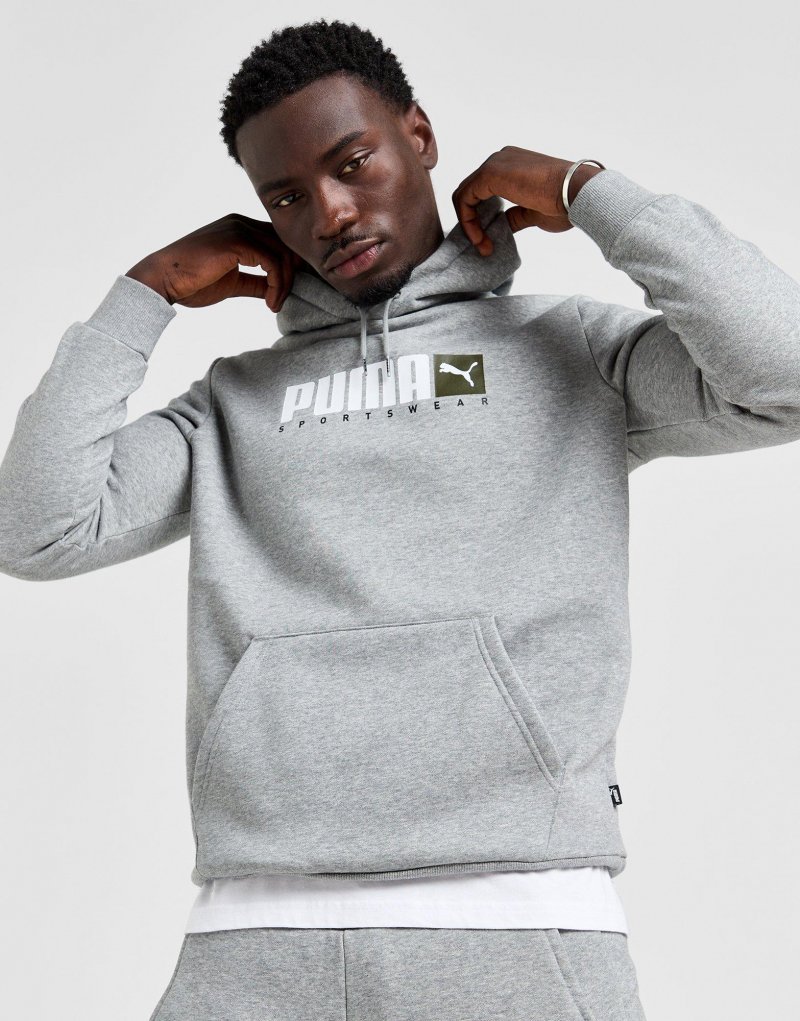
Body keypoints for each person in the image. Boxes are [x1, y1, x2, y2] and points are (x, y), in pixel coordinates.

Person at [2, 16, 799, 1021]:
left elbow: (783, 374)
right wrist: (143, 293)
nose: (329, 213)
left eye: (352, 164)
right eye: (286, 197)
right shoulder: (232, 403)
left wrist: (590, 191)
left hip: (521, 921)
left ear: (418, 136)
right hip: (253, 932)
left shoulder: (572, 352)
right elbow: (35, 526)